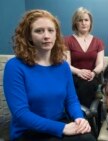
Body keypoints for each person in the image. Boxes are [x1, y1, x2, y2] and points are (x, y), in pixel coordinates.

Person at [3, 9, 96, 141]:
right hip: (29, 131)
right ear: (28, 36)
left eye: (50, 30)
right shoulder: (15, 66)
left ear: (56, 34)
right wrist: (62, 128)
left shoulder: (63, 66)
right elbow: (21, 114)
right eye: (39, 31)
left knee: (88, 138)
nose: (46, 36)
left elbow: (71, 100)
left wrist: (79, 118)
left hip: (60, 123)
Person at [64, 7, 104, 109]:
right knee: (77, 84)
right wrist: (79, 72)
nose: (83, 23)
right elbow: (66, 65)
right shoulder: (67, 40)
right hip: (74, 76)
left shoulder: (98, 42)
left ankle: (83, 116)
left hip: (92, 77)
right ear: (75, 23)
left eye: (86, 20)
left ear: (90, 23)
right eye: (80, 20)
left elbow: (100, 64)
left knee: (87, 84)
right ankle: (82, 115)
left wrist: (93, 73)